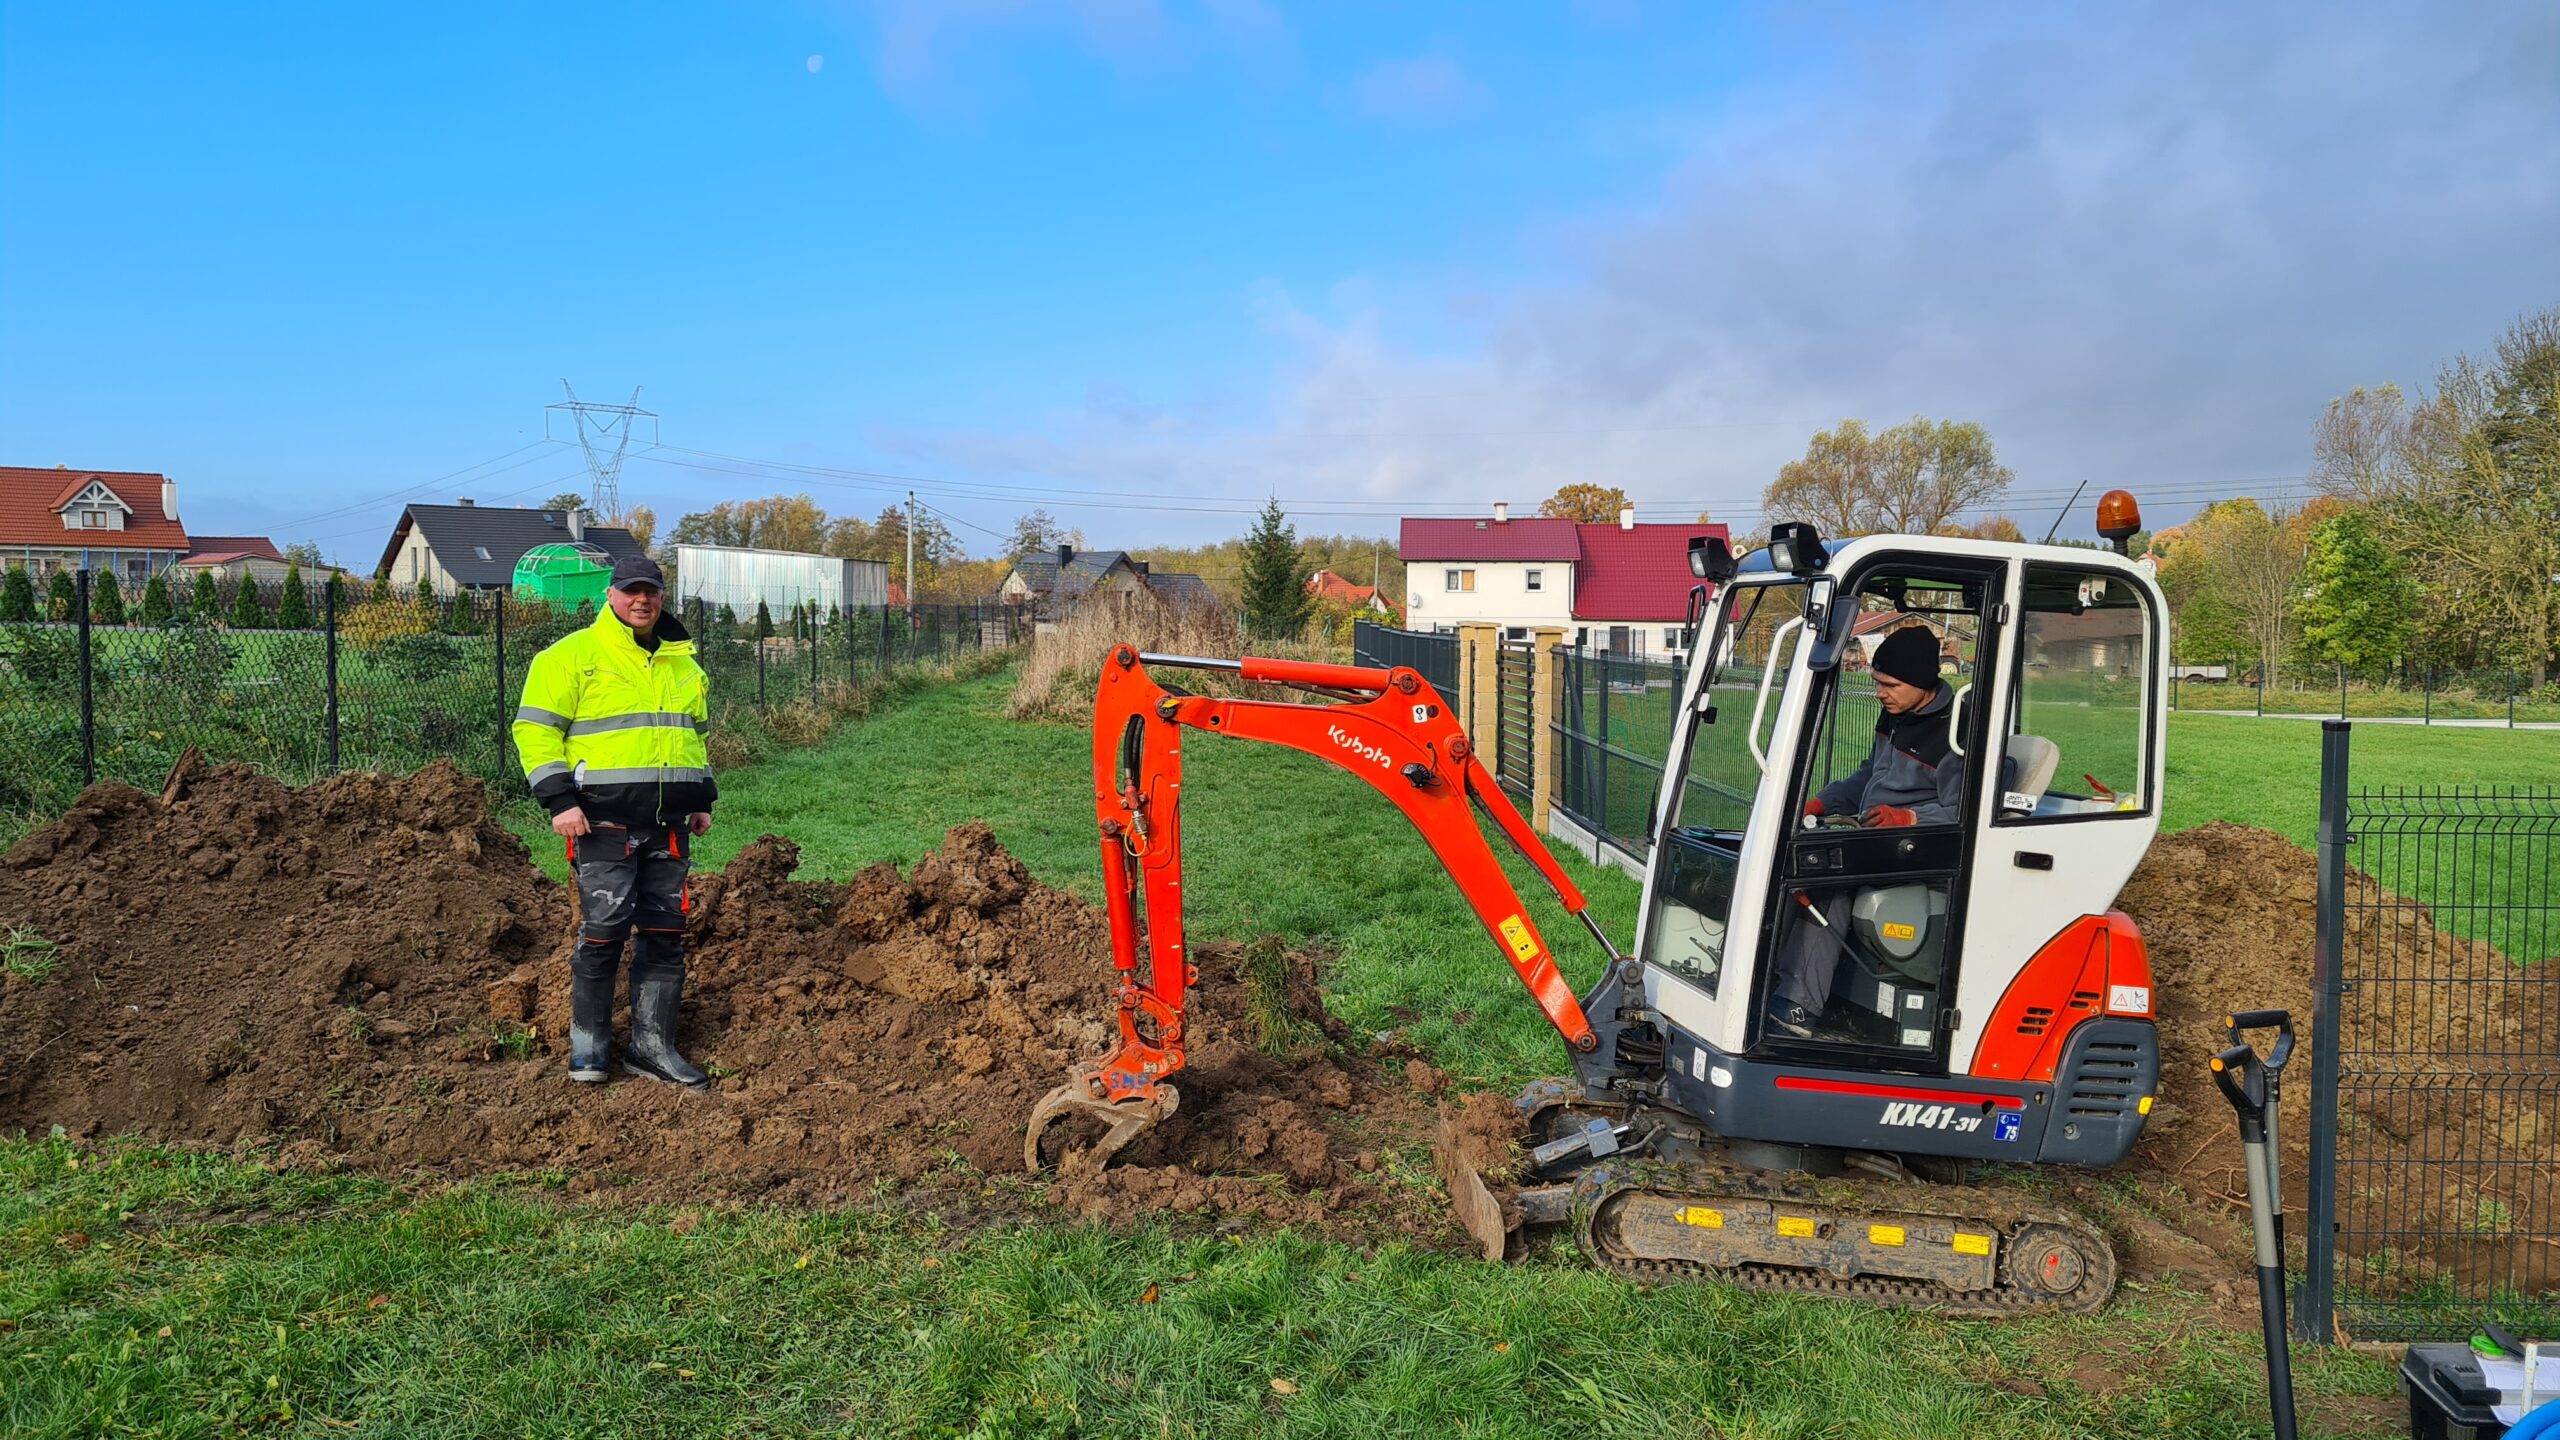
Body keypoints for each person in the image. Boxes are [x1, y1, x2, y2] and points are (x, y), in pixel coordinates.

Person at [513, 554, 716, 1089]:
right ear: (610, 595)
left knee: (665, 934)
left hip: (669, 824)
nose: (641, 600)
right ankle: (589, 1048)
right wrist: (559, 801)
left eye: (651, 591)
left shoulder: (684, 663)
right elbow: (535, 731)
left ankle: (652, 1049)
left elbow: (694, 737)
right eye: (631, 591)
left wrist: (702, 797)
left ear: (662, 597)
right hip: (601, 822)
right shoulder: (570, 656)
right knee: (603, 934)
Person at [1766, 625, 1967, 1039]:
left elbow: (1961, 811)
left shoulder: (1957, 734)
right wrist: (1822, 803)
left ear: (1921, 682)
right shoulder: (1897, 716)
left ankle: (1798, 1007)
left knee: (1831, 878)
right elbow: (1867, 777)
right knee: (1787, 858)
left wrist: (1907, 819)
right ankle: (1764, 978)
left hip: (1923, 850)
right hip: (1881, 838)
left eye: (1889, 684)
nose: (1880, 693)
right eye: (1877, 682)